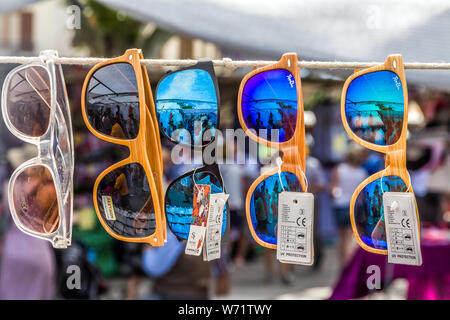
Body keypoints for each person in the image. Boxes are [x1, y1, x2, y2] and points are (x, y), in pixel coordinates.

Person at [330, 143, 368, 266]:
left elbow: (333, 188)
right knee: (350, 237)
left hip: (339, 205)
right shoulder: (362, 172)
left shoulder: (339, 169)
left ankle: (344, 264)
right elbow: (363, 194)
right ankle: (348, 265)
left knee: (342, 237)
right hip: (354, 206)